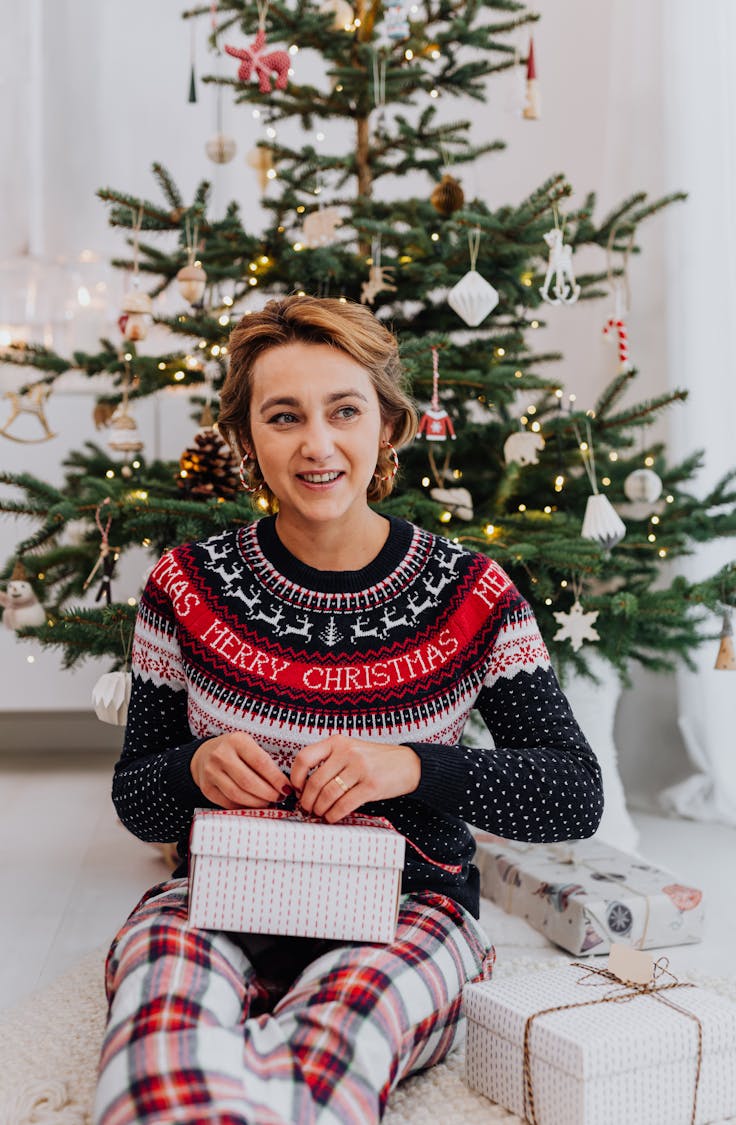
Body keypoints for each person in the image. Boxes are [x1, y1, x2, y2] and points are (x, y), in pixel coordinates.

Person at [95, 296, 603, 1124]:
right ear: (247, 437)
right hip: (219, 897)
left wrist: (411, 764)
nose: (318, 444)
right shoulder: (183, 586)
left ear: (389, 426)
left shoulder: (475, 593)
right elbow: (134, 796)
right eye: (284, 416)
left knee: (335, 1056)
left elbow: (574, 793)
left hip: (412, 908)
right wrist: (193, 768)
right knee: (157, 1055)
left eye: (344, 410)